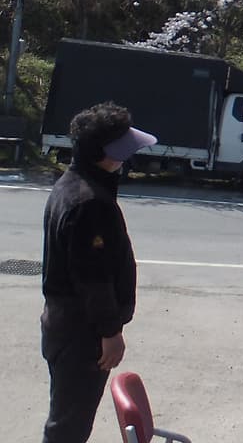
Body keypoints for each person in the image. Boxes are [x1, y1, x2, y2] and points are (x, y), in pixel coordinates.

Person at [41, 102, 156, 443]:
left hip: (64, 322)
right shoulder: (90, 202)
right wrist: (110, 331)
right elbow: (93, 277)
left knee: (68, 416)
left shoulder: (74, 183)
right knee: (68, 426)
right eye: (122, 150)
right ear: (103, 153)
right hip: (81, 329)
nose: (126, 159)